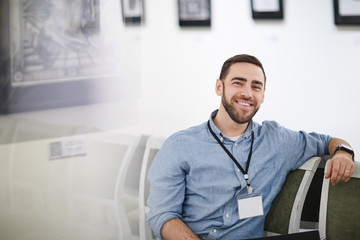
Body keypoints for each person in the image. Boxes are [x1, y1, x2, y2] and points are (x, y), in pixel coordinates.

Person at [146, 54, 355, 240]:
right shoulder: (179, 145)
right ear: (219, 87)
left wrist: (344, 152)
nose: (247, 93)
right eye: (238, 83)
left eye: (256, 86)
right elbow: (163, 215)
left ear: (263, 95)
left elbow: (328, 141)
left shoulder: (278, 140)